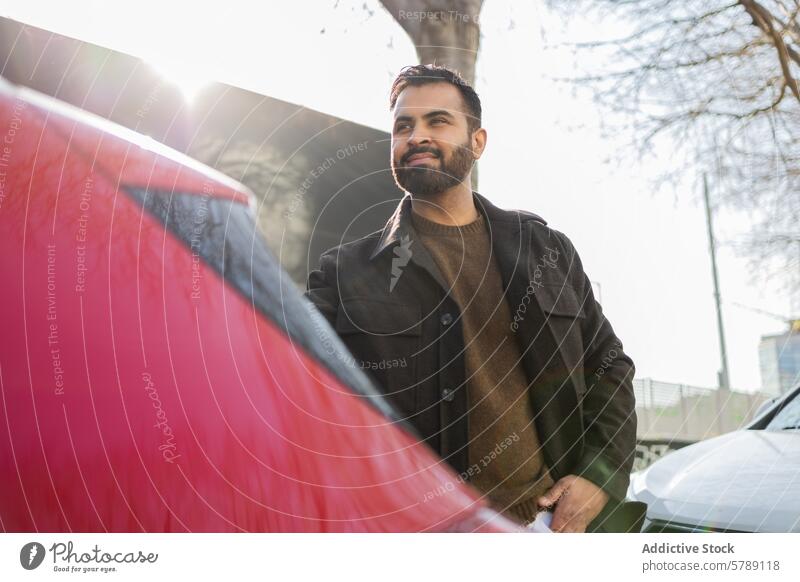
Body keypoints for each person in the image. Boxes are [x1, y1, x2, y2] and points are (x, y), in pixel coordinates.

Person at [305, 64, 642, 533]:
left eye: (437, 121)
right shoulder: (344, 272)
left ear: (477, 142)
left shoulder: (545, 250)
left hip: (543, 526)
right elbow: (286, 377)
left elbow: (610, 366)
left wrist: (597, 478)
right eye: (403, 126)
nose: (416, 136)